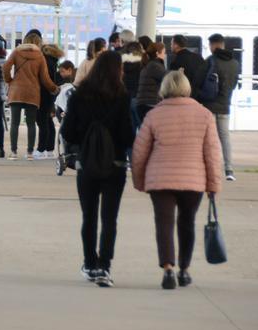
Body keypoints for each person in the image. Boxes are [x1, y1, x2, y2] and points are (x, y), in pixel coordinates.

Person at [132, 69, 224, 290]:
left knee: (163, 224)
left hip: (160, 179)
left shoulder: (154, 115)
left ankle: (167, 270)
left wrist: (140, 180)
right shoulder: (204, 115)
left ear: (164, 89)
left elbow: (139, 152)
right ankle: (184, 270)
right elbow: (212, 153)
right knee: (187, 222)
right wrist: (214, 184)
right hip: (194, 179)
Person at [60, 50, 134, 287]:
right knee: (110, 218)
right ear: (117, 71)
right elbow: (128, 134)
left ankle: (89, 263)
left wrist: (81, 144)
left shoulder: (79, 95)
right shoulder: (122, 96)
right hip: (115, 165)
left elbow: (67, 131)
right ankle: (105, 266)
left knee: (89, 216)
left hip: (87, 164)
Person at [1, 31, 58, 160]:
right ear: (39, 42)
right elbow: (45, 78)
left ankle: (14, 152)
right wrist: (54, 88)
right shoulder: (40, 56)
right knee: (31, 123)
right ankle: (30, 153)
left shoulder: (16, 52)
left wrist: (9, 80)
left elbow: (5, 67)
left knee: (14, 123)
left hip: (17, 91)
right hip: (32, 92)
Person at [201, 33, 241, 181]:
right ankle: (229, 170)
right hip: (225, 105)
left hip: (209, 106)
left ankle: (209, 168)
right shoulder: (235, 64)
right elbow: (234, 84)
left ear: (212, 45)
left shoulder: (210, 61)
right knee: (225, 137)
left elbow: (200, 82)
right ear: (223, 44)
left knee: (208, 138)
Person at [38, 42, 64, 159]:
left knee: (42, 121)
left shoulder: (45, 61)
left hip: (43, 93)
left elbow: (44, 79)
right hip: (50, 94)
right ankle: (49, 149)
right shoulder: (54, 61)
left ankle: (41, 149)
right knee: (48, 121)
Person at [136, 41, 166, 125]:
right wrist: (178, 74)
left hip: (143, 104)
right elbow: (167, 78)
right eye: (164, 52)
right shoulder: (155, 66)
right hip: (150, 103)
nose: (165, 55)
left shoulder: (148, 64)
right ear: (157, 53)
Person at [122, 40, 145, 130]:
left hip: (125, 98)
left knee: (129, 128)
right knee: (142, 128)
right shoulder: (142, 65)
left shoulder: (121, 65)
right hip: (138, 98)